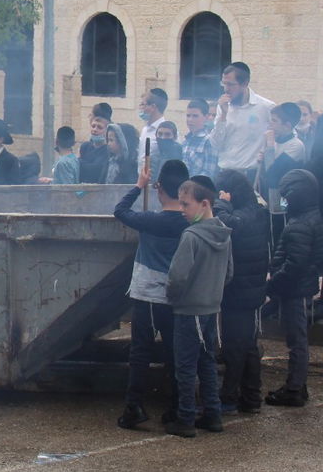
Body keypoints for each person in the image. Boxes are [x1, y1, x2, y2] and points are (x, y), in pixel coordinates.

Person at [113, 158, 190, 430]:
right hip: (176, 297)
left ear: (159, 189)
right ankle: (177, 407)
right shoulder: (189, 223)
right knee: (175, 353)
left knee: (140, 352)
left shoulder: (150, 220)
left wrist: (138, 185)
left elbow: (120, 211)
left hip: (146, 295)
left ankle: (134, 406)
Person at [163, 179, 233, 438]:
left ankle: (186, 418)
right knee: (207, 362)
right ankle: (213, 414)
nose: (182, 209)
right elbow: (229, 273)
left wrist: (173, 298)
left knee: (185, 366)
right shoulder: (224, 233)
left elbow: (177, 277)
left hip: (188, 310)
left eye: (186, 204)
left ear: (204, 204)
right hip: (212, 309)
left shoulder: (191, 236)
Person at [263, 169, 323, 407]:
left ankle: (294, 389)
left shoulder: (301, 224)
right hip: (298, 288)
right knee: (297, 338)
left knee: (296, 340)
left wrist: (273, 284)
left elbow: (295, 265)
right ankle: (299, 385)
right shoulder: (309, 216)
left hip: (295, 290)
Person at [215, 169, 269, 414]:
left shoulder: (243, 214)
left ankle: (229, 398)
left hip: (241, 290)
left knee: (235, 346)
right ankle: (251, 397)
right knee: (247, 345)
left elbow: (227, 225)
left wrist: (221, 204)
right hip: (250, 288)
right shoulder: (255, 210)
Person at [212, 62, 276, 181]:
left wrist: (268, 154)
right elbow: (215, 144)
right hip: (225, 173)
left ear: (245, 83)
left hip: (251, 175)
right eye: (224, 84)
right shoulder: (223, 106)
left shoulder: (266, 107)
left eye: (231, 84)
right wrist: (223, 116)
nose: (226, 89)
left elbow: (280, 135)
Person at [259, 102, 307, 240]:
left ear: (287, 125)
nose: (270, 124)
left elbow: (273, 174)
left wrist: (269, 148)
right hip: (268, 197)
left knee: (280, 234)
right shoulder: (275, 142)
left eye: (274, 121)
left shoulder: (296, 146)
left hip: (284, 201)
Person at [181, 98, 218, 180]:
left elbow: (208, 174)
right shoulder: (185, 141)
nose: (190, 119)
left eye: (195, 116)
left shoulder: (210, 141)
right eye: (188, 116)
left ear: (206, 117)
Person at [78, 104, 115, 183]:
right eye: (93, 126)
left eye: (99, 127)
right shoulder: (85, 146)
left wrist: (78, 162)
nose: (95, 129)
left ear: (107, 131)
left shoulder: (108, 150)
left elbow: (94, 170)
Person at [136, 88, 168, 167]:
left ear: (153, 107)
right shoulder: (145, 129)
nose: (141, 108)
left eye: (143, 104)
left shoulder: (167, 131)